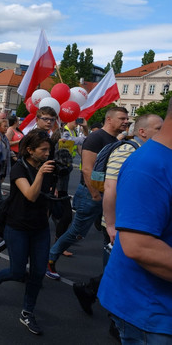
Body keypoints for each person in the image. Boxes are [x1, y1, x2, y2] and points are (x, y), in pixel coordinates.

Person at [72, 113, 163, 316]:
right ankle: (114, 317)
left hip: (131, 220)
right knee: (122, 270)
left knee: (121, 269)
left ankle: (90, 291)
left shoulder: (146, 151)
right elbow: (110, 187)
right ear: (142, 132)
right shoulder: (127, 151)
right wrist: (111, 224)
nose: (163, 132)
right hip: (119, 223)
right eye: (158, 128)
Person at [98, 100, 172, 343]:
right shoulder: (144, 162)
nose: (125, 122)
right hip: (151, 310)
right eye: (121, 118)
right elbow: (107, 185)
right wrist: (110, 223)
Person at [0, 129, 56, 335]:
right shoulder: (19, 168)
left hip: (40, 227)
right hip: (18, 227)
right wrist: (41, 173)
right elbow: (31, 195)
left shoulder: (47, 167)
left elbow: (46, 197)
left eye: (49, 150)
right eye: (43, 150)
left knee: (38, 272)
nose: (47, 154)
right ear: (30, 150)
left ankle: (27, 311)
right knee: (17, 272)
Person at [47, 107, 129, 280]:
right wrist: (95, 194)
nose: (126, 121)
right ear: (109, 119)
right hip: (92, 194)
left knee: (109, 233)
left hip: (105, 194)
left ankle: (109, 276)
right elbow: (86, 169)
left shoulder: (113, 139)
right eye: (122, 118)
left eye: (126, 118)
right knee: (77, 232)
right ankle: (50, 258)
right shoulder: (96, 138)